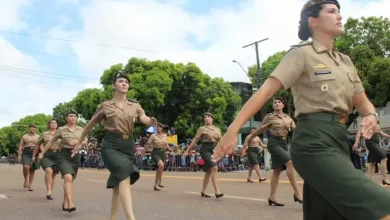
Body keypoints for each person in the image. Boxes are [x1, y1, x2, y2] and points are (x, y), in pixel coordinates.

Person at [212, 0, 390, 219]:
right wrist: (233, 129)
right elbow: (265, 91)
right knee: (381, 205)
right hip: (313, 143)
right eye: (332, 11)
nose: (339, 16)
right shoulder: (301, 55)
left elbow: (362, 102)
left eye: (339, 11)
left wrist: (371, 114)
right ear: (313, 20)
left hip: (339, 141)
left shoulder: (345, 62)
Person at [72, 72, 157, 220]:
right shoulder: (105, 106)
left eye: (126, 82)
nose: (124, 83)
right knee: (124, 176)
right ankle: (131, 218)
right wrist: (80, 142)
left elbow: (143, 118)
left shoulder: (135, 105)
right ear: (113, 85)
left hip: (127, 146)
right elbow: (90, 124)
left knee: (118, 186)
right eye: (121, 81)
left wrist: (150, 122)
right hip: (111, 145)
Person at [245, 97, 302, 206]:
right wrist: (249, 139)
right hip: (273, 142)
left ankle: (272, 197)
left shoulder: (288, 119)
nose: (276, 103)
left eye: (279, 102)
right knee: (290, 162)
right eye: (274, 102)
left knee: (277, 170)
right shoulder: (269, 117)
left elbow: (296, 131)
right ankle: (297, 192)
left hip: (284, 143)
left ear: (283, 105)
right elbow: (260, 129)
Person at [39, 109, 87, 213]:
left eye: (75, 116)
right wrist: (42, 153)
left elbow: (85, 141)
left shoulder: (80, 129)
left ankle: (65, 203)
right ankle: (70, 202)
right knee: (68, 177)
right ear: (66, 118)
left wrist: (79, 142)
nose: (73, 118)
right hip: (64, 156)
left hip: (75, 157)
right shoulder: (61, 129)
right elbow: (51, 141)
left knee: (70, 180)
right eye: (70, 116)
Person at [183, 112, 223, 199]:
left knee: (208, 171)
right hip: (205, 150)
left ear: (212, 119)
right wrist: (187, 150)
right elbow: (195, 140)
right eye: (205, 117)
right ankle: (217, 191)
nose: (206, 118)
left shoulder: (218, 129)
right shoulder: (202, 129)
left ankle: (203, 191)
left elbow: (221, 141)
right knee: (214, 167)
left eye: (208, 117)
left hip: (214, 150)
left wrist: (223, 150)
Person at [32, 118, 61, 200]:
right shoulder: (44, 134)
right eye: (52, 123)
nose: (54, 124)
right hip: (46, 154)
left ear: (57, 125)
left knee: (54, 175)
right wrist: (34, 155)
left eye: (55, 123)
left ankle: (50, 192)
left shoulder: (61, 134)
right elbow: (38, 144)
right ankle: (48, 190)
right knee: (48, 170)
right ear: (49, 125)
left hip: (57, 155)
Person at [145, 122, 173, 191]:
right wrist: (144, 152)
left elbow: (166, 145)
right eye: (157, 127)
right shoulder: (153, 136)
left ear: (162, 128)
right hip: (155, 152)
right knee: (161, 165)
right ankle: (160, 182)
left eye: (159, 127)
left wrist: (171, 150)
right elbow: (148, 144)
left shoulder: (165, 135)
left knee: (159, 169)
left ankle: (156, 185)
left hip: (162, 153)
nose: (158, 128)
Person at [17, 124, 40, 191]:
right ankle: (26, 179)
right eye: (31, 127)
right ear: (29, 128)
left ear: (35, 129)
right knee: (26, 166)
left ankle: (30, 185)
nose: (32, 129)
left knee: (32, 169)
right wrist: (19, 154)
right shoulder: (24, 136)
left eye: (34, 128)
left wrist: (42, 153)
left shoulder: (38, 136)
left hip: (35, 153)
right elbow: (21, 145)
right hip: (26, 152)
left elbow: (40, 145)